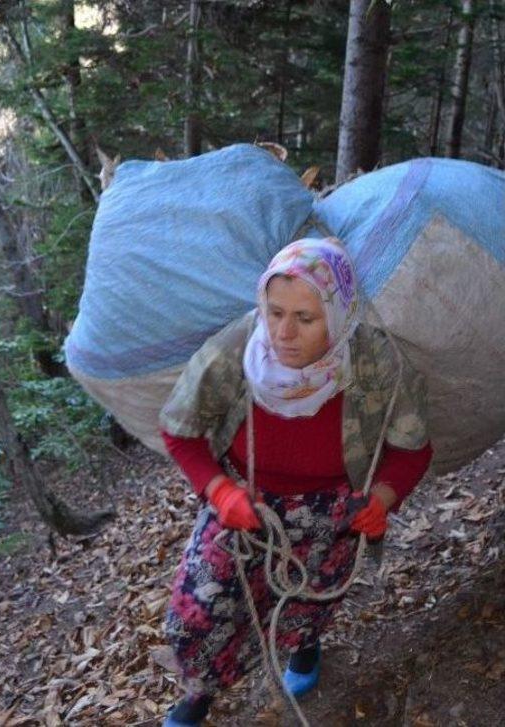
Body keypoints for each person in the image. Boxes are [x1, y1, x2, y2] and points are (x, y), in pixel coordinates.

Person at [158, 237, 433, 727]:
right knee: (198, 610)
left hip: (331, 507)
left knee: (310, 596)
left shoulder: (374, 360)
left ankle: (304, 647)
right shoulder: (235, 350)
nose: (283, 332)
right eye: (274, 311)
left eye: (305, 319)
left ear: (339, 314)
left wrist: (382, 499)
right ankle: (198, 691)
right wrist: (219, 490)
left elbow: (413, 448)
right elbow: (179, 432)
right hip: (246, 500)